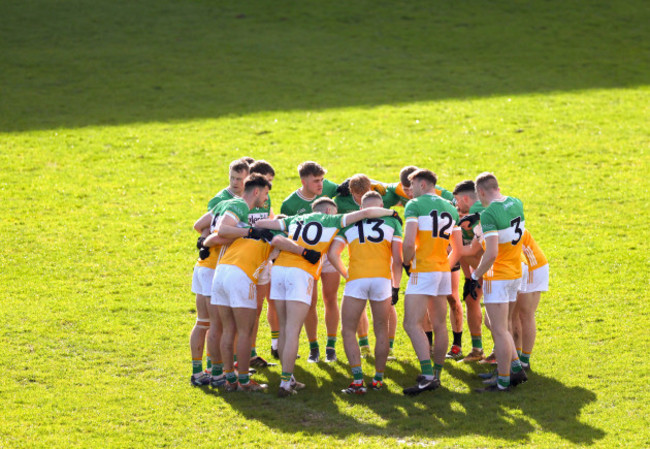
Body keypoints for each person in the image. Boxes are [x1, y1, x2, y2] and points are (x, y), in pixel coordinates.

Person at [255, 197, 400, 397]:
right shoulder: (333, 220)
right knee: (293, 329)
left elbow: (261, 224)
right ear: (331, 211)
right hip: (301, 272)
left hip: (279, 270)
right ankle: (285, 382)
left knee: (283, 328)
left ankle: (288, 377)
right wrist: (390, 213)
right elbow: (366, 213)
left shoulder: (295, 219)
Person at [208, 174, 322, 392]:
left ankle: (229, 379)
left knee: (228, 329)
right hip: (241, 276)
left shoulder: (242, 227)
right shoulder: (272, 232)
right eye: (267, 193)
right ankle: (243, 381)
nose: (267, 198)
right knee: (244, 331)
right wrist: (304, 251)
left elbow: (214, 237)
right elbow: (280, 242)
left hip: (220, 273)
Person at [328, 191, 403, 394]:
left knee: (348, 329)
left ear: (362, 209)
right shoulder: (393, 223)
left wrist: (346, 274)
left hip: (357, 279)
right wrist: (396, 286)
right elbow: (398, 259)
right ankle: (378, 379)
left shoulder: (350, 223)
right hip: (382, 280)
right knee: (381, 329)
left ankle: (358, 381)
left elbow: (333, 253)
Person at [401, 169, 462, 395]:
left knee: (411, 323)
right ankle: (436, 374)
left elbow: (408, 243)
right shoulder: (450, 207)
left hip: (423, 269)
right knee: (439, 323)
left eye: (412, 184)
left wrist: (407, 263)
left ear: (423, 184)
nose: (410, 189)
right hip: (443, 269)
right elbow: (456, 248)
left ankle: (426, 376)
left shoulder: (414, 205)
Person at [469, 172, 528, 392]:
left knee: (499, 329)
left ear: (481, 192)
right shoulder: (516, 202)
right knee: (501, 325)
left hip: (499, 276)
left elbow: (491, 252)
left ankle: (503, 381)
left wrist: (476, 276)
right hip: (515, 271)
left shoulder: (489, 213)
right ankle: (515, 369)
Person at [280, 161, 339, 363]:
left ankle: (331, 346)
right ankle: (314, 347)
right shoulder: (289, 205)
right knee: (310, 302)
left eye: (322, 180)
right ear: (303, 181)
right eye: (316, 181)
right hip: (305, 258)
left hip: (329, 254)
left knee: (330, 299)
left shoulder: (327, 190)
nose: (321, 185)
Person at [246, 160, 279, 366]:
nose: (268, 187)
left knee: (256, 309)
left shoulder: (265, 200)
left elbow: (271, 218)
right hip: (242, 262)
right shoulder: (236, 201)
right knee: (244, 310)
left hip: (263, 260)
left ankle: (251, 352)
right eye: (266, 182)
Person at [452, 180, 487, 362]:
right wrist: (469, 278)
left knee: (496, 314)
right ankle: (477, 349)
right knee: (471, 300)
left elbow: (473, 250)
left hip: (495, 267)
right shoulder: (455, 214)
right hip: (479, 268)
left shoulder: (483, 216)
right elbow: (463, 252)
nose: (456, 206)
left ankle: (503, 354)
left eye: (458, 201)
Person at [512, 230, 548, 371]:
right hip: (522, 266)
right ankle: (515, 357)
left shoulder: (495, 217)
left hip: (532, 266)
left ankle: (524, 361)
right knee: (513, 315)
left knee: (525, 314)